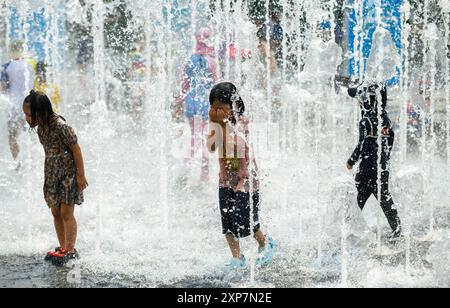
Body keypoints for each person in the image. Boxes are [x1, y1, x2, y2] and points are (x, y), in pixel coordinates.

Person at [207, 82, 275, 271]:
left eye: (221, 107)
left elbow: (236, 145)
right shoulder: (216, 123)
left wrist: (223, 126)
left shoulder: (242, 122)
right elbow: (211, 147)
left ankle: (265, 243)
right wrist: (215, 127)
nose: (217, 110)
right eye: (213, 107)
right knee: (227, 222)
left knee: (247, 220)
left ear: (233, 106)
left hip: (245, 180)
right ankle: (237, 257)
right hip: (226, 180)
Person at [22, 90, 88, 266]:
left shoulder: (61, 126)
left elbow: (76, 149)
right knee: (55, 211)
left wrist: (80, 175)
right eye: (26, 114)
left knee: (67, 212)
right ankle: (62, 246)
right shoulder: (41, 128)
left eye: (29, 114)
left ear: (42, 113)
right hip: (52, 174)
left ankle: (70, 250)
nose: (27, 118)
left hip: (68, 174)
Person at [347, 83, 402, 241]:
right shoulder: (385, 119)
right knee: (384, 198)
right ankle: (397, 228)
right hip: (382, 167)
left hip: (367, 169)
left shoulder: (365, 122)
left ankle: (351, 229)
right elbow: (390, 138)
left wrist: (351, 160)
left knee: (358, 198)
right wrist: (385, 156)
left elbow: (362, 145)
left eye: (361, 99)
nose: (359, 102)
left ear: (368, 101)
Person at [177, 27, 218, 182]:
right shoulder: (212, 62)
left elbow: (184, 84)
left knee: (194, 137)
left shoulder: (189, 60)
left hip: (191, 102)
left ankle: (186, 168)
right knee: (207, 137)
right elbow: (216, 83)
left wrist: (180, 99)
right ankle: (204, 173)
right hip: (206, 102)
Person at [0, 41, 35, 165]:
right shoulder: (31, 64)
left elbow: (2, 88)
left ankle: (18, 163)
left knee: (13, 137)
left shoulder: (6, 67)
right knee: (31, 136)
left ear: (10, 51)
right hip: (31, 106)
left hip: (14, 107)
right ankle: (32, 162)